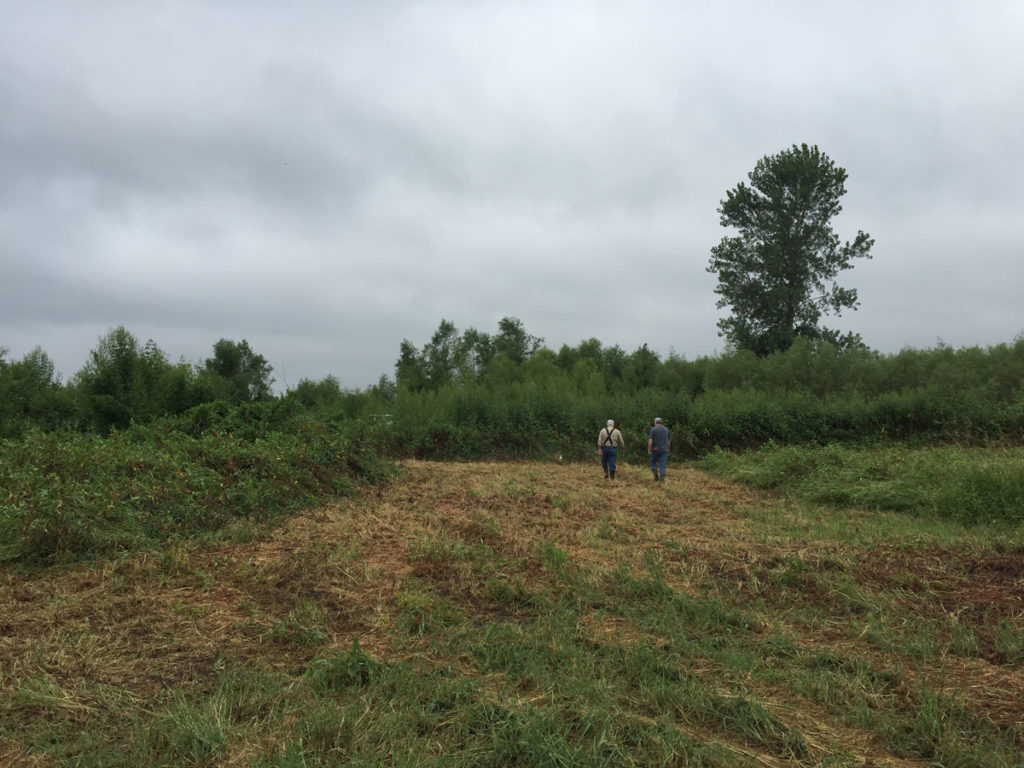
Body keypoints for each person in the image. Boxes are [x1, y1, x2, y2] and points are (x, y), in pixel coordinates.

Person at [648, 417, 671, 482]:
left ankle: (656, 478)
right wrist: (668, 448)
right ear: (661, 422)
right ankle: (662, 480)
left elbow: (650, 440)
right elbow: (669, 441)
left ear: (655, 422)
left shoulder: (653, 429)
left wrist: (649, 449)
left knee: (653, 462)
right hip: (664, 450)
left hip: (655, 449)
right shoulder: (666, 430)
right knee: (662, 464)